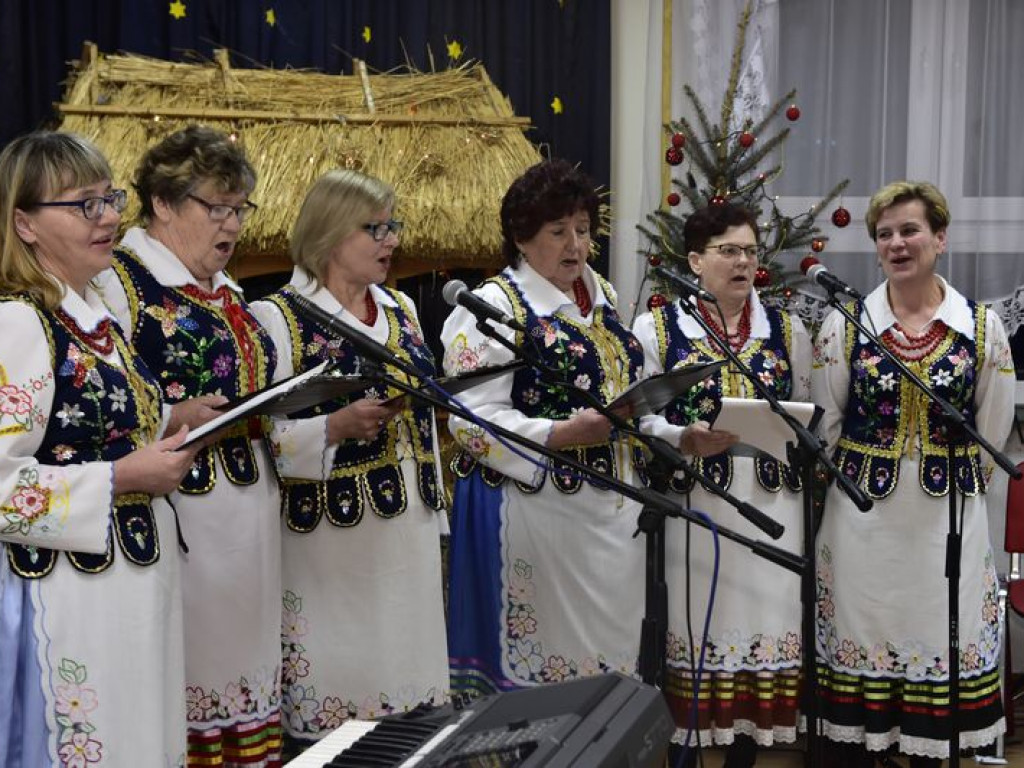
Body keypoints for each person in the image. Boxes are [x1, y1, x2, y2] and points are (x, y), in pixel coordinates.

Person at [96, 125, 301, 765]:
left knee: (243, 673)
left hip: (250, 520)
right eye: (217, 207)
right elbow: (93, 396)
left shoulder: (230, 291)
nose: (233, 223)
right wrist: (167, 414)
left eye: (241, 208)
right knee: (191, 676)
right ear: (163, 203)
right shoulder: (119, 284)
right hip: (179, 518)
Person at [0, 131, 203, 766]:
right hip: (71, 599)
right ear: (24, 224)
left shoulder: (96, 318)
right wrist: (119, 478)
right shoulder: (18, 323)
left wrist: (171, 420)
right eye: (83, 203)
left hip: (134, 586)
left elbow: (92, 422)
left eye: (110, 198)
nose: (110, 216)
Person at [442, 158, 673, 694]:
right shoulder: (491, 307)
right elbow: (471, 422)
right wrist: (563, 433)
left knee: (609, 674)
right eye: (558, 232)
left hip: (615, 520)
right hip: (539, 516)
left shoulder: (606, 298)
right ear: (521, 239)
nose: (576, 245)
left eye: (584, 230)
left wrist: (676, 436)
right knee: (547, 676)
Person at [811, 181, 1015, 766]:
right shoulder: (846, 323)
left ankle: (928, 752)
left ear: (940, 239)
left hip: (944, 522)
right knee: (863, 633)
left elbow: (992, 428)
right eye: (885, 235)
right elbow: (828, 420)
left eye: (910, 230)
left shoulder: (980, 327)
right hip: (862, 521)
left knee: (938, 632)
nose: (897, 244)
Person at [249, 169, 449, 748]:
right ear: (332, 233)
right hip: (327, 546)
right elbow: (256, 436)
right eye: (375, 228)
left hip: (406, 528)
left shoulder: (402, 309)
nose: (390, 240)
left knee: (408, 694)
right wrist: (333, 427)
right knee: (339, 704)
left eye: (393, 226)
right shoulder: (278, 318)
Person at [632, 201, 810, 766]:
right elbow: (639, 417)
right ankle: (695, 749)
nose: (742, 262)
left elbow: (808, 405)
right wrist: (681, 434)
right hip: (701, 501)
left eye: (750, 252)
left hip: (774, 501)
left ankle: (748, 751)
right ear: (694, 260)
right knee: (702, 625)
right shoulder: (656, 327)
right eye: (728, 251)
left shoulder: (787, 327)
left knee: (766, 623)